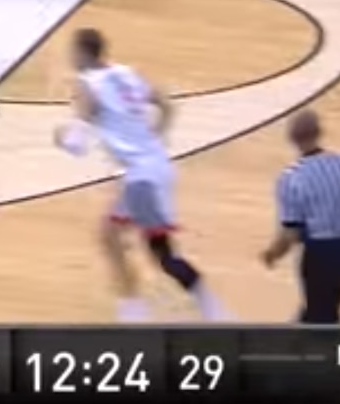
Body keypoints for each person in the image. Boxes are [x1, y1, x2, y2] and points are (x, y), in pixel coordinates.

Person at [57, 28, 228, 321]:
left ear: (83, 53)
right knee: (116, 238)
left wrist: (62, 137)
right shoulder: (126, 73)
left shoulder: (86, 84)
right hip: (155, 166)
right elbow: (166, 105)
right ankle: (142, 307)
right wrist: (156, 136)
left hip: (141, 178)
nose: (70, 57)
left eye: (72, 52)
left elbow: (77, 145)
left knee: (152, 252)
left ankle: (146, 311)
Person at [262, 111, 340, 325]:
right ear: (320, 132)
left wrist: (272, 254)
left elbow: (290, 233)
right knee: (324, 313)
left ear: (291, 138)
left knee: (318, 318)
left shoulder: (291, 177)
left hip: (318, 255)